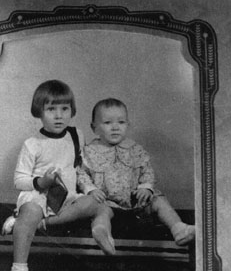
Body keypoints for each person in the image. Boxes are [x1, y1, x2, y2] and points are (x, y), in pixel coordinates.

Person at [7, 80, 114, 271]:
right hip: (39, 195)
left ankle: (40, 223)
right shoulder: (33, 144)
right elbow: (19, 180)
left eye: (64, 109)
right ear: (39, 111)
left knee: (98, 205)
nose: (59, 116)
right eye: (51, 109)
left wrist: (89, 189)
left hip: (66, 198)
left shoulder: (76, 135)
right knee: (30, 214)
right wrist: (41, 181)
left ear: (71, 111)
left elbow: (80, 168)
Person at [77, 97, 195, 248]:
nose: (115, 127)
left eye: (121, 122)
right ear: (94, 128)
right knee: (101, 212)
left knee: (158, 199)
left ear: (128, 125)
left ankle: (179, 229)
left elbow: (147, 170)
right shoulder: (89, 152)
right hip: (107, 202)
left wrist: (145, 187)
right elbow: (81, 174)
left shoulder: (134, 149)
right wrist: (91, 189)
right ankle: (102, 233)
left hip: (135, 202)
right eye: (107, 123)